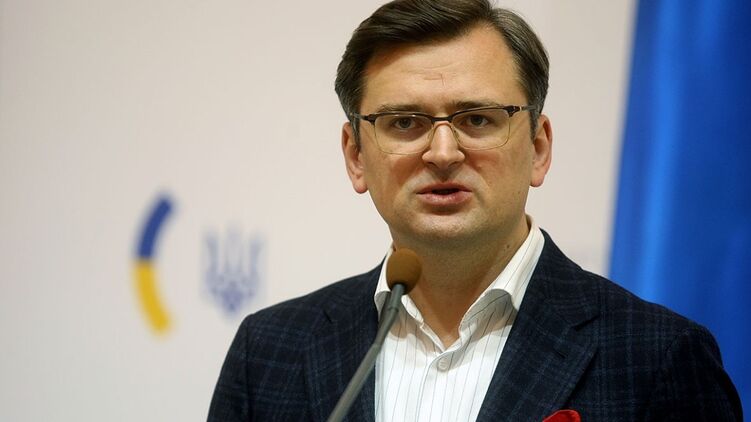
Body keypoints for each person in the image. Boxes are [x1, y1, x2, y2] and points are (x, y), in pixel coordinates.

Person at [207, 0, 743, 420]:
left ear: (538, 147)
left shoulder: (656, 357)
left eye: (478, 119)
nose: (443, 153)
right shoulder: (269, 352)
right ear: (356, 157)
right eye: (404, 123)